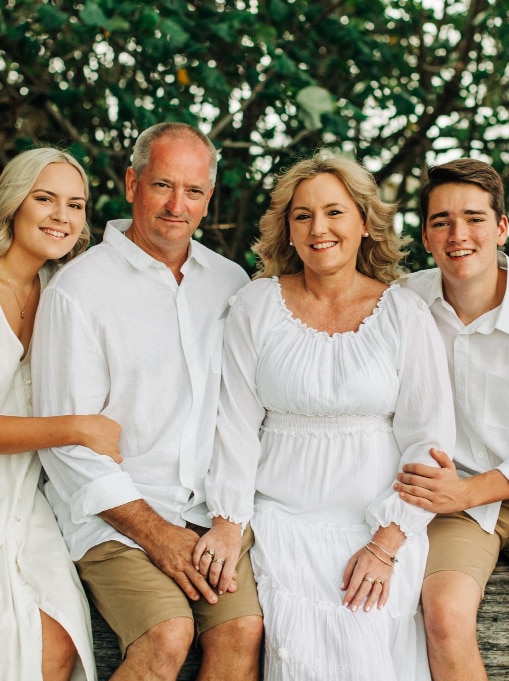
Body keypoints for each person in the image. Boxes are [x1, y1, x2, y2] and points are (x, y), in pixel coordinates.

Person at [192, 152, 456, 681]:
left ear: (364, 222)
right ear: (286, 229)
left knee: (367, 644)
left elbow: (428, 444)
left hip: (378, 526)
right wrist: (227, 522)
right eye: (303, 215)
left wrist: (385, 544)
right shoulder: (255, 305)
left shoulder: (405, 314)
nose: (319, 229)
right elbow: (235, 427)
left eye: (335, 212)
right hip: (278, 522)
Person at [31, 122, 263, 681]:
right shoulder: (78, 291)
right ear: (133, 183)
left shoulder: (231, 283)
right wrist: (158, 535)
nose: (176, 205)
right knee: (167, 635)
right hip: (113, 520)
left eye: (194, 191)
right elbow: (66, 447)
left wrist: (228, 522)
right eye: (163, 185)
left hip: (211, 516)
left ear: (209, 199)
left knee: (242, 633)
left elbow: (241, 415)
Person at [0, 147, 123, 681]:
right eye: (45, 199)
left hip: (28, 495)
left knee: (59, 641)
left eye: (75, 205)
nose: (62, 216)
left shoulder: (60, 292)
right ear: (12, 204)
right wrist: (77, 428)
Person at [394, 158, 509, 681]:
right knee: (443, 614)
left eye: (475, 218)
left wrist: (470, 491)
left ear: (502, 227)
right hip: (456, 505)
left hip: (474, 491)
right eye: (442, 221)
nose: (458, 234)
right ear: (425, 236)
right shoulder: (402, 303)